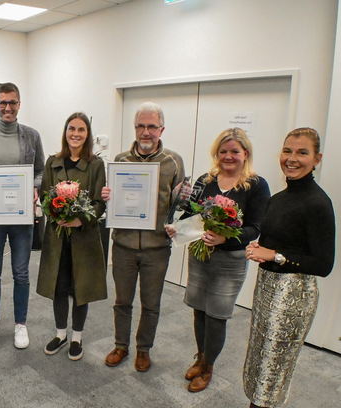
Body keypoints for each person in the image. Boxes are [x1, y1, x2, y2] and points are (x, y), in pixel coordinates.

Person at [221, 127, 335, 408]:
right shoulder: (278, 199)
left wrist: (275, 256)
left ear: (317, 159)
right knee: (258, 356)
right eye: (288, 151)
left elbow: (324, 264)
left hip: (294, 297)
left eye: (302, 153)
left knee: (273, 362)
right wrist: (261, 247)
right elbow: (276, 240)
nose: (292, 159)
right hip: (268, 290)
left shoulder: (318, 203)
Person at [166, 128, 270, 392]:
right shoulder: (206, 179)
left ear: (245, 153)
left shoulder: (256, 185)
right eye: (223, 151)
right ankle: (200, 358)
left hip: (230, 260)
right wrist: (178, 226)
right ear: (217, 153)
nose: (228, 156)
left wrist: (225, 239)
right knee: (199, 309)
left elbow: (256, 227)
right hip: (200, 256)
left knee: (216, 315)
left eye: (235, 151)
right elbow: (192, 213)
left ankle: (208, 366)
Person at [103, 101, 185, 371]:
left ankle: (143, 349)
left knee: (151, 303)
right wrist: (107, 198)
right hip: (124, 245)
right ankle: (121, 346)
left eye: (152, 126)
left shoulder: (173, 162)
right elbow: (112, 204)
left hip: (156, 248)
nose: (146, 132)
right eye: (141, 126)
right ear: (134, 128)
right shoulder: (119, 161)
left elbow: (181, 208)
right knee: (122, 301)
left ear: (162, 129)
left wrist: (181, 200)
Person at [0, 82, 45, 349]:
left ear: (19, 104)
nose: (7, 107)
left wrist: (35, 188)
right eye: (2, 102)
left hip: (22, 217)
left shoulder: (31, 136)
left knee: (21, 273)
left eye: (12, 102)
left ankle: (20, 324)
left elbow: (40, 170)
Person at [36, 112, 107, 361]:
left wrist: (80, 219)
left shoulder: (96, 165)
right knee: (58, 286)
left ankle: (77, 337)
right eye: (71, 129)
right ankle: (60, 334)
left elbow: (99, 203)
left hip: (83, 237)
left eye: (81, 130)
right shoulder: (52, 162)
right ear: (65, 132)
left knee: (80, 287)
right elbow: (45, 196)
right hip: (57, 236)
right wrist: (54, 213)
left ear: (87, 135)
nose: (75, 134)